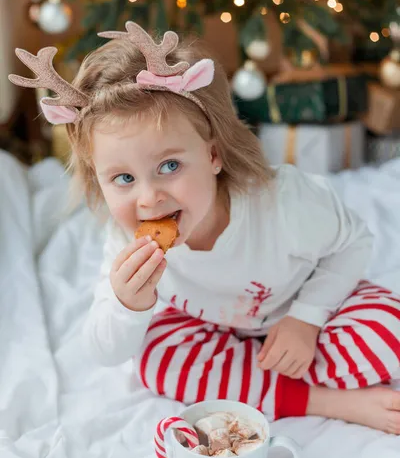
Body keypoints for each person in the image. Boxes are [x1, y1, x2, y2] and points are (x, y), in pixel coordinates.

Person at [9, 22, 400, 434]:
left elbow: (354, 242)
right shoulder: (125, 237)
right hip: (213, 327)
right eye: (123, 179)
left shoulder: (280, 201)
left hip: (307, 306)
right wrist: (127, 304)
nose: (148, 198)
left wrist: (306, 318)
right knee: (153, 358)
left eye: (170, 166)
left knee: (388, 329)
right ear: (99, 180)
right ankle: (321, 400)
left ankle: (256, 379)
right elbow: (105, 352)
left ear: (213, 155)